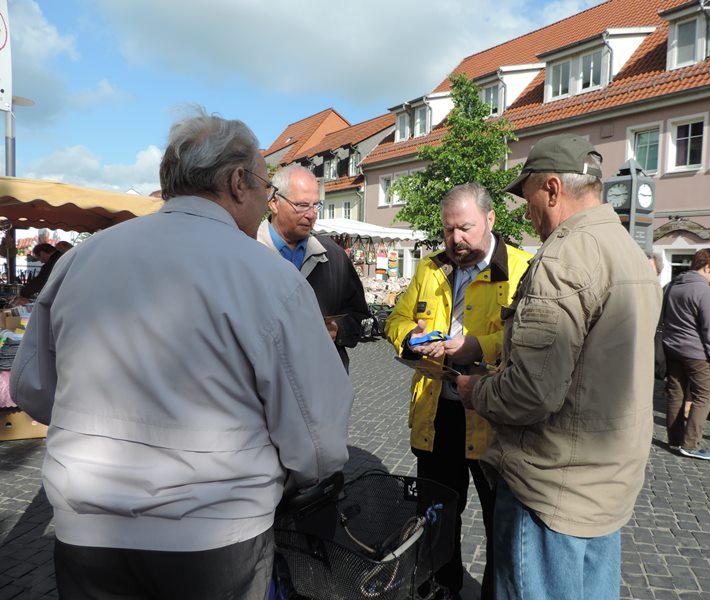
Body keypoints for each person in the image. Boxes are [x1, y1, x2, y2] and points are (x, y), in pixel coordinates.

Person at [10, 109, 353, 600]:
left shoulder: (80, 261)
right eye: (264, 187)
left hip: (87, 529)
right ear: (238, 181)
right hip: (216, 536)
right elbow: (317, 438)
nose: (265, 201)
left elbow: (33, 390)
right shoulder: (267, 277)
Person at [456, 134, 661, 600]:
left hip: (550, 490)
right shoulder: (629, 251)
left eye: (528, 200)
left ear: (552, 189)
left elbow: (532, 393)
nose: (527, 214)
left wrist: (476, 392)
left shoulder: (565, 257)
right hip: (604, 484)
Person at [384, 182, 531, 600]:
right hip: (436, 415)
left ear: (491, 219)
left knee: (499, 521)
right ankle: (441, 587)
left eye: (465, 228)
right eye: (448, 230)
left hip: (492, 421)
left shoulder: (521, 269)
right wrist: (408, 338)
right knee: (437, 517)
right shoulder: (430, 269)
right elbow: (396, 319)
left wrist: (476, 346)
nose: (456, 240)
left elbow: (530, 340)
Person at [257, 164, 369, 372]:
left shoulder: (333, 255)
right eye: (301, 205)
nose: (311, 215)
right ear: (274, 202)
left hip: (321, 388)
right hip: (260, 389)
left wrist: (337, 330)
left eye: (316, 205)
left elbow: (360, 317)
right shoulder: (246, 251)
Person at [662, 248, 710, 460]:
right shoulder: (704, 290)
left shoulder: (672, 285)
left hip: (671, 348)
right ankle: (690, 444)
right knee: (704, 397)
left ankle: (675, 440)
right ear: (707, 266)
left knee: (676, 394)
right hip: (696, 352)